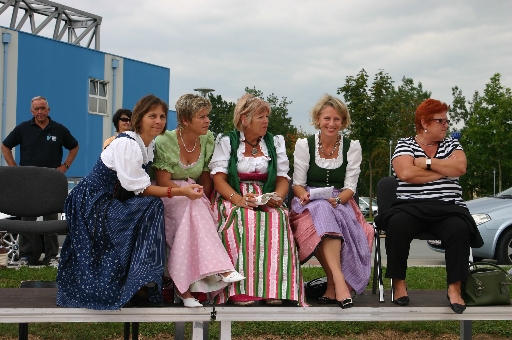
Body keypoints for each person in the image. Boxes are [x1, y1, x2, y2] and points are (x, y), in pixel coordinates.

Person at [56, 94, 202, 310]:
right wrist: (181, 191)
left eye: (162, 116)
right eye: (152, 116)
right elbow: (140, 188)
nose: (159, 121)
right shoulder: (128, 144)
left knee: (152, 207)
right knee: (152, 205)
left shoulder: (148, 146)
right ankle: (139, 278)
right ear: (140, 118)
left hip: (113, 199)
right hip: (93, 201)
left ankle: (141, 276)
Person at [375, 98, 483, 314]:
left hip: (447, 207)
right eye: (440, 120)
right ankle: (398, 284)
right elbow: (406, 173)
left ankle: (454, 289)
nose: (446, 125)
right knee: (397, 224)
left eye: (446, 120)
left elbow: (460, 167)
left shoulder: (452, 144)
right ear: (424, 123)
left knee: (459, 228)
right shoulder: (404, 144)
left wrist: (426, 163)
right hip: (410, 206)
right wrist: (445, 170)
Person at [209, 93, 305, 306]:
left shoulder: (275, 142)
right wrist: (239, 199)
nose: (266, 122)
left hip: (265, 195)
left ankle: (274, 288)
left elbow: (282, 179)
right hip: (234, 196)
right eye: (261, 117)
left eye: (267, 117)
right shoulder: (227, 141)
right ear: (245, 119)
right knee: (243, 219)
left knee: (277, 219)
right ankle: (240, 289)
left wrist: (277, 198)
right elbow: (219, 180)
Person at [152, 94, 244, 308]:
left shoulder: (207, 139)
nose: (207, 121)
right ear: (185, 120)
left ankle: (185, 291)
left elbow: (205, 178)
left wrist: (205, 196)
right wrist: (187, 192)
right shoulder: (166, 141)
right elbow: (163, 180)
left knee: (195, 207)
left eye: (207, 116)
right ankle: (221, 269)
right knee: (190, 207)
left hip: (193, 195)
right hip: (169, 194)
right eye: (201, 117)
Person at [289, 94, 373, 309]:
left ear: (343, 122)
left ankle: (332, 286)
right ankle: (338, 283)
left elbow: (350, 188)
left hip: (339, 200)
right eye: (327, 118)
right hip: (308, 201)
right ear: (318, 119)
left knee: (332, 216)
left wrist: (335, 200)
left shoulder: (352, 147)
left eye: (337, 119)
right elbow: (297, 184)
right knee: (320, 212)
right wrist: (305, 195)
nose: (331, 124)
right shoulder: (304, 145)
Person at [1, 96, 79, 267]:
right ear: (31, 111)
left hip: (50, 183)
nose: (40, 112)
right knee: (27, 221)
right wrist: (14, 168)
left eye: (42, 108)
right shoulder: (23, 128)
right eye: (36, 109)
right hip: (28, 181)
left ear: (48, 110)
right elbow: (5, 146)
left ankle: (51, 257)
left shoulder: (58, 130)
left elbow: (74, 146)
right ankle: (27, 256)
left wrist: (65, 165)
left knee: (50, 221)